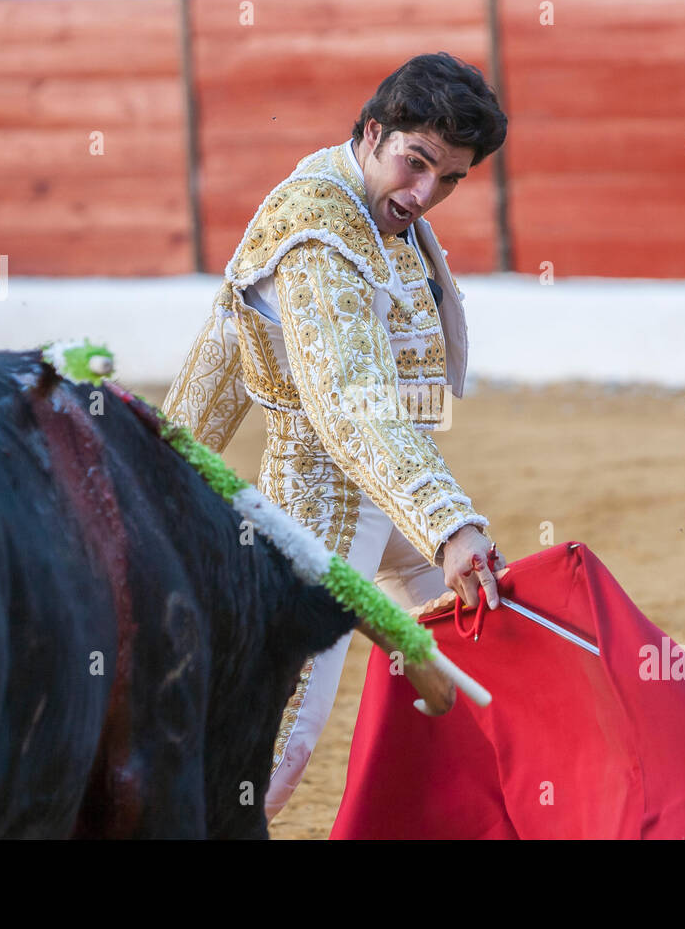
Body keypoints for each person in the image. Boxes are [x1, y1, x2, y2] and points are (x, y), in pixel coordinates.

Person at [162, 51, 509, 820]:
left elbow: (231, 331)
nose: (425, 194)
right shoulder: (321, 232)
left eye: (449, 179)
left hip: (384, 489)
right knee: (277, 741)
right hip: (320, 500)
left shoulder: (351, 198)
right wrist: (450, 522)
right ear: (373, 132)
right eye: (416, 164)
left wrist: (166, 457)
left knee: (490, 651)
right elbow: (350, 403)